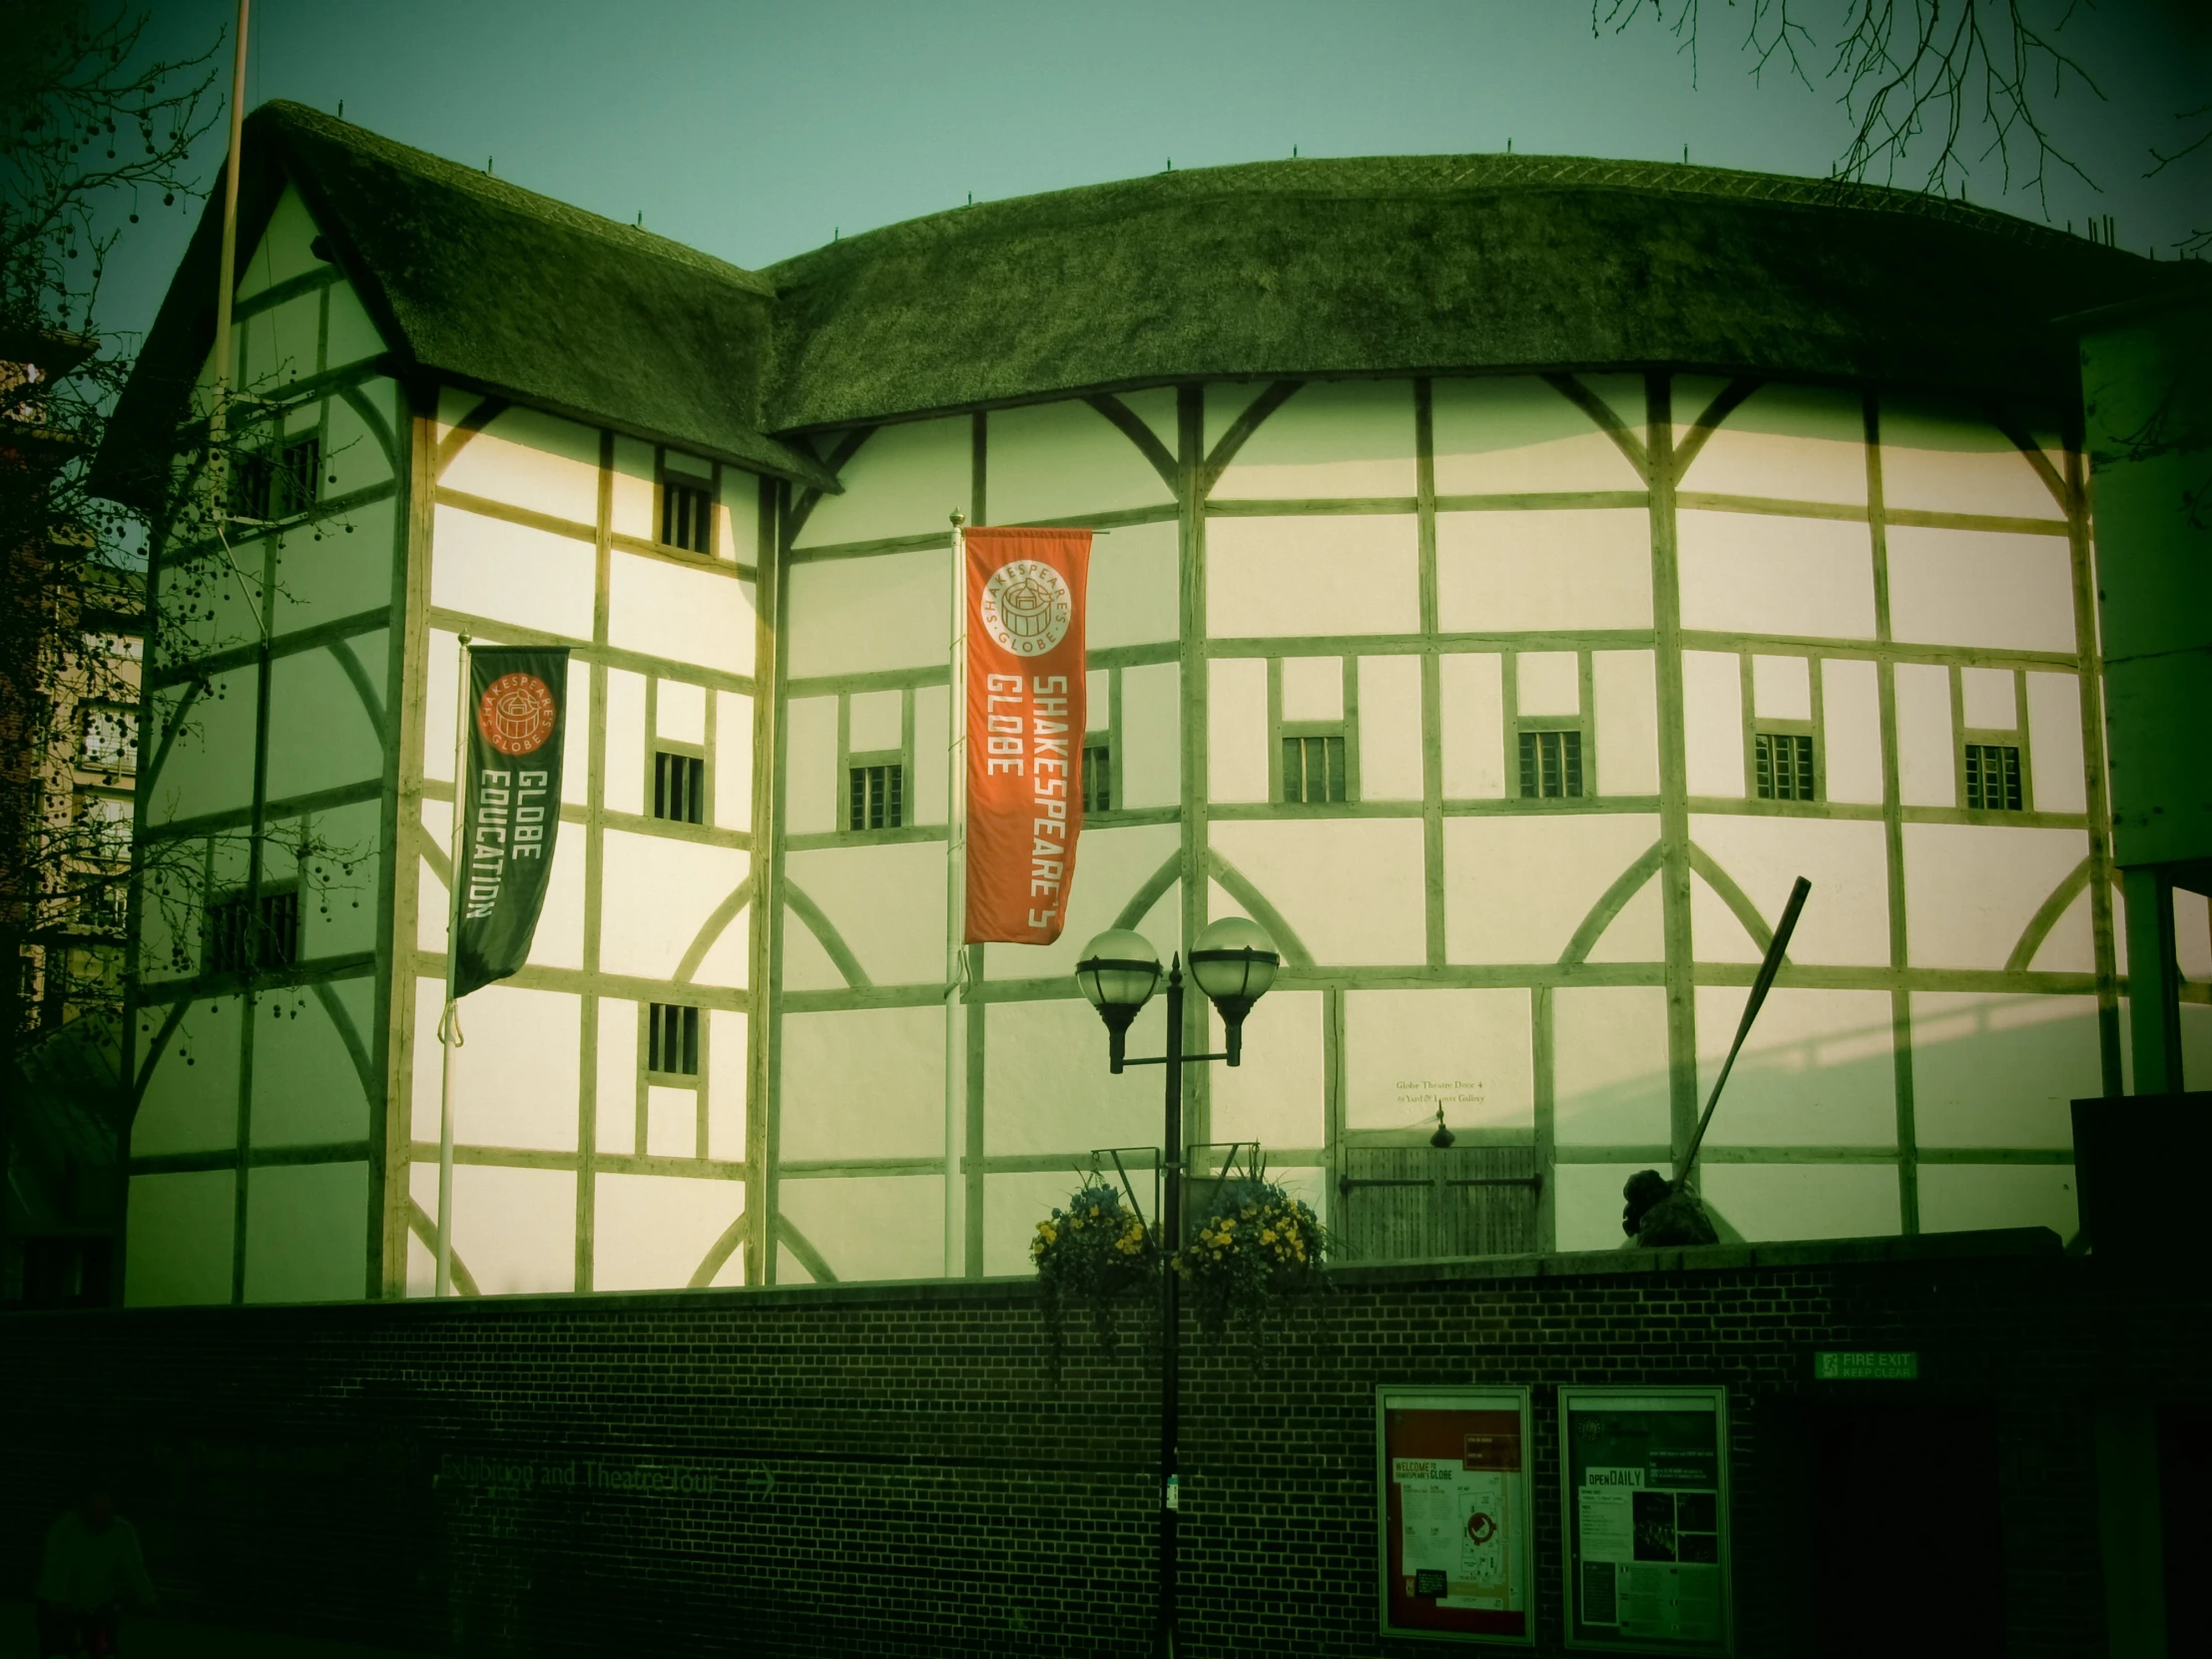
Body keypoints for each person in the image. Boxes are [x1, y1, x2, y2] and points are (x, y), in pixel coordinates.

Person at [36, 1477, 155, 1658]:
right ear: (82, 1508)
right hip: (61, 1604)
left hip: (99, 1605)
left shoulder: (122, 1531)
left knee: (105, 1651)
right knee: (58, 1650)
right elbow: (54, 1568)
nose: (102, 1514)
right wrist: (57, 1600)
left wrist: (147, 1600)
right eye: (95, 1508)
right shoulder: (63, 1530)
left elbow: (135, 1569)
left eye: (106, 1508)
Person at [1619, 1169, 1719, 1248]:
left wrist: (1637, 1231)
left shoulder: (1655, 1219)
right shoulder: (1685, 1197)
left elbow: (1643, 1260)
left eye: (1637, 1203)